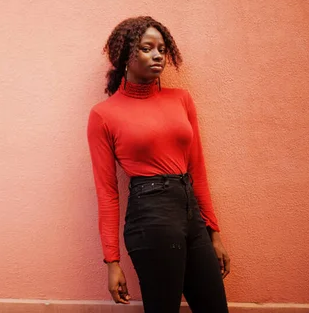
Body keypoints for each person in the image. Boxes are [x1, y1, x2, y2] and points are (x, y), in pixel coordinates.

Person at [86, 16, 231, 312]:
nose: (157, 55)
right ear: (126, 56)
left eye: (162, 49)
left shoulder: (181, 100)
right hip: (150, 216)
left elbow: (198, 170)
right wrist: (111, 262)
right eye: (146, 48)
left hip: (190, 213)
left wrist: (213, 232)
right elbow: (107, 192)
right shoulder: (104, 115)